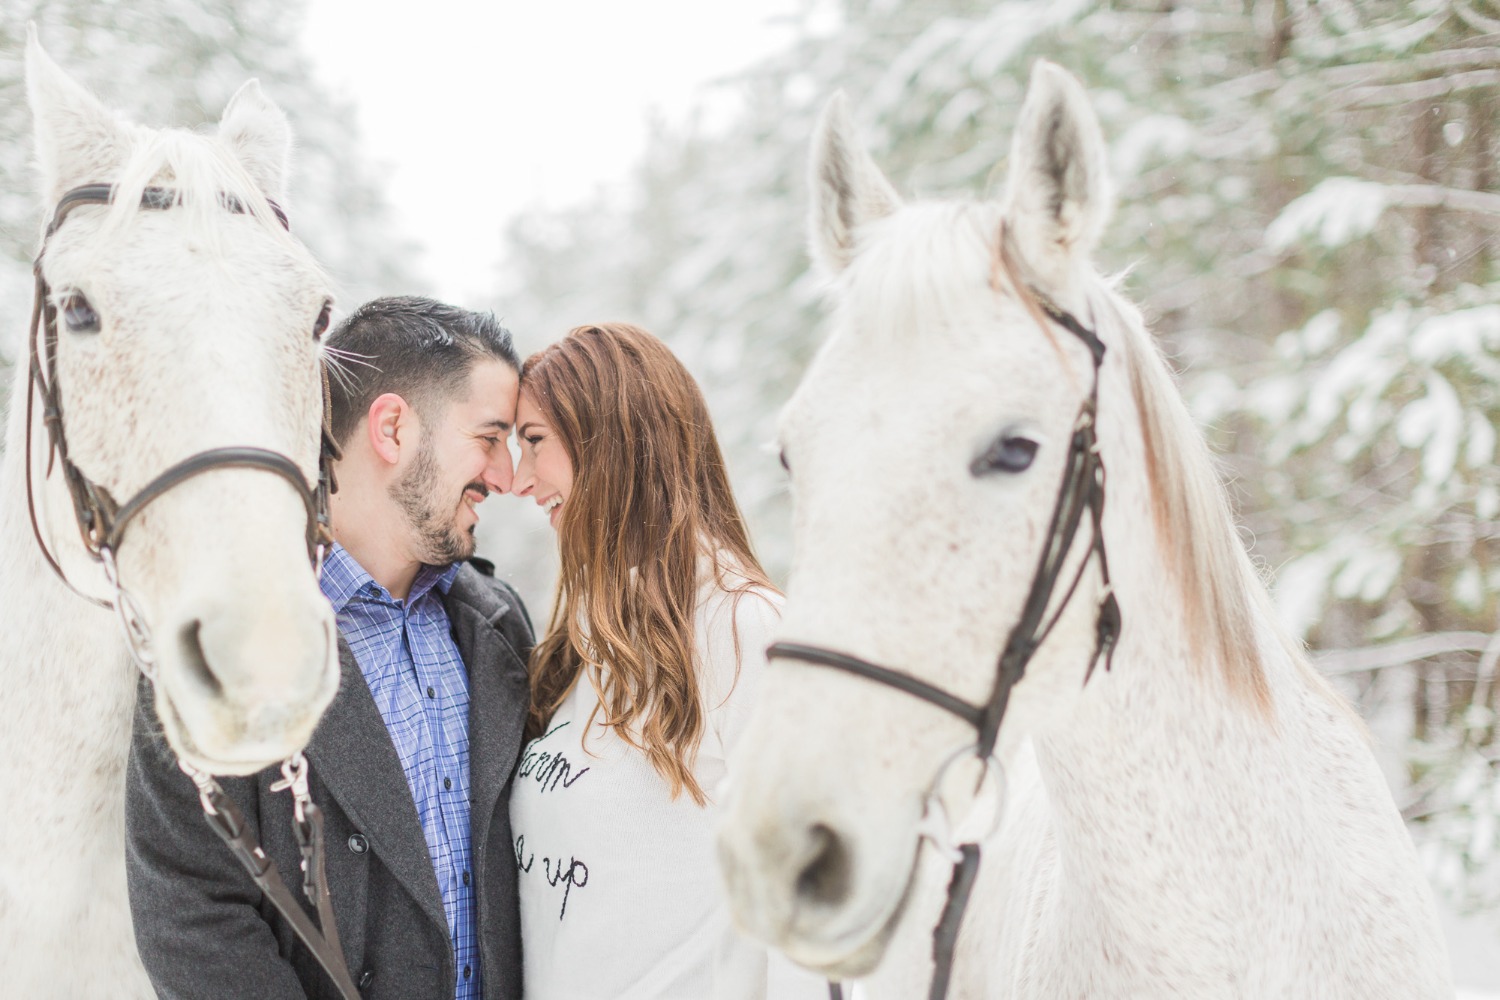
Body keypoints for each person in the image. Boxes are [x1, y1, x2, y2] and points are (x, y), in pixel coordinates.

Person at [126, 296, 535, 1000]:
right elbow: (192, 912)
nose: (505, 476)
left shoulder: (500, 625)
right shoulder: (223, 637)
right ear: (393, 428)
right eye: (490, 437)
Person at [507, 322, 824, 1000]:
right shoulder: (583, 644)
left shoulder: (749, 631)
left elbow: (805, 921)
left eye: (534, 442)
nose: (519, 479)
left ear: (611, 436)